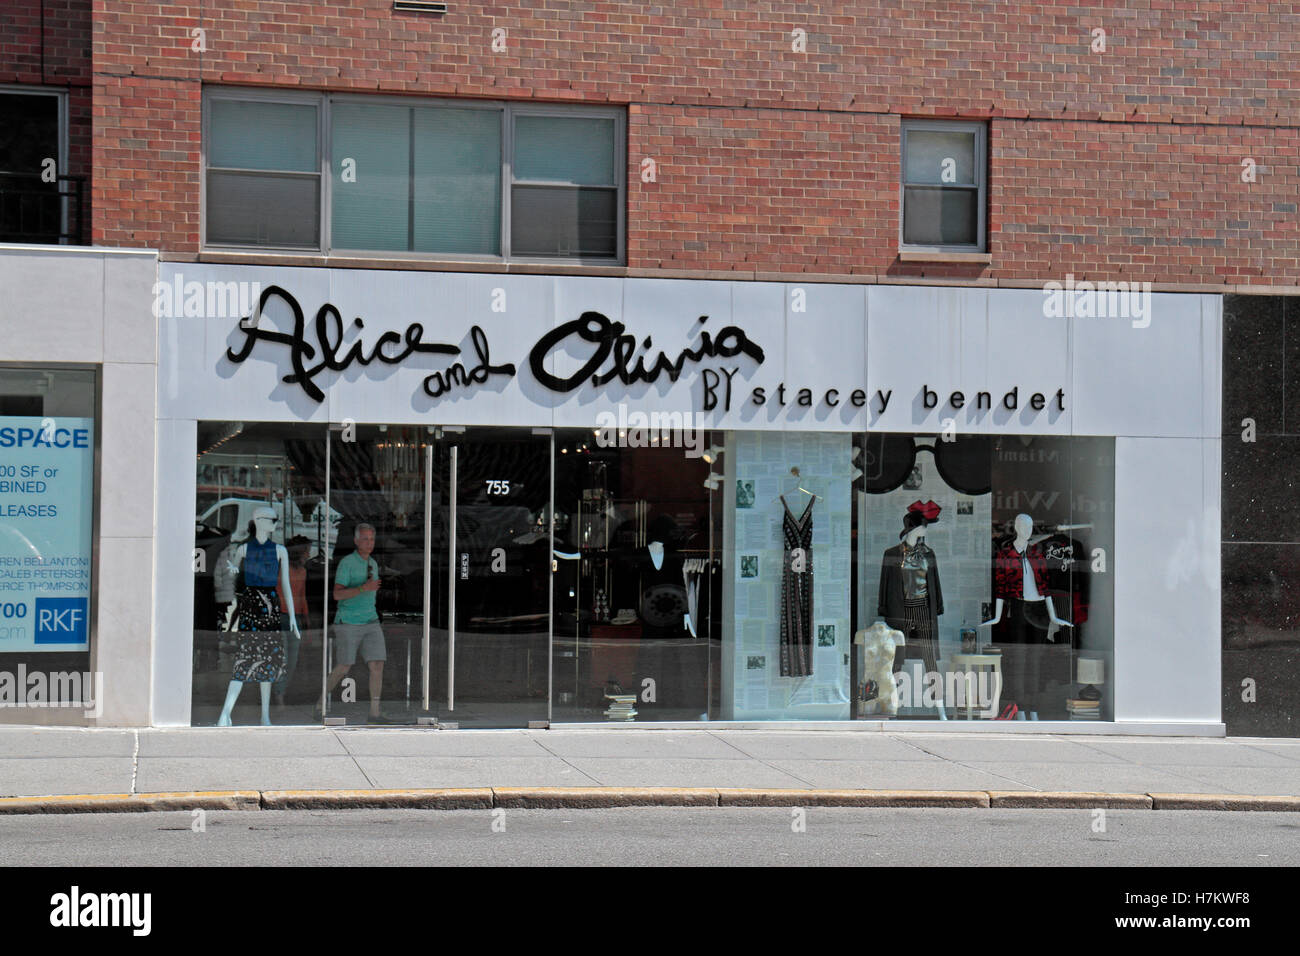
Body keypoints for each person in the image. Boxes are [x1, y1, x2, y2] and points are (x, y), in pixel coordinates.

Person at [317, 523, 390, 723]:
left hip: (371, 620)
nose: (369, 543)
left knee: (377, 664)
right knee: (344, 665)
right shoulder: (347, 563)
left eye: (372, 539)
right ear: (356, 541)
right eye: (365, 539)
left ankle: (374, 711)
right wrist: (362, 588)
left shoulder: (373, 563)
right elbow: (337, 594)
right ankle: (320, 703)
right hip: (348, 621)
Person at [272, 535, 312, 707]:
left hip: (295, 617)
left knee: (293, 659)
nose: (309, 555)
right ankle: (278, 693)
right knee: (284, 658)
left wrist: (306, 617)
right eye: (307, 551)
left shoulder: (303, 571)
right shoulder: (281, 567)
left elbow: (302, 595)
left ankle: (281, 691)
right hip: (280, 615)